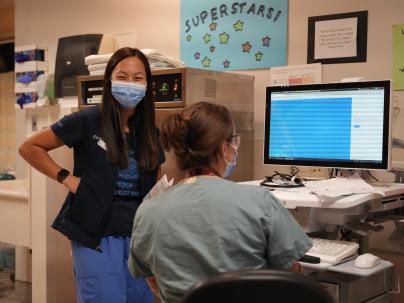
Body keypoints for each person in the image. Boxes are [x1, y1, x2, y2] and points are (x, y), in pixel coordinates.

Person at [19, 47, 165, 303]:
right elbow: (30, 147)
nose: (130, 83)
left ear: (147, 84)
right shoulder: (88, 120)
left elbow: (156, 173)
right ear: (109, 80)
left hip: (138, 236)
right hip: (97, 234)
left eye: (138, 78)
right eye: (123, 76)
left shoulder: (150, 130)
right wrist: (66, 177)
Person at [128, 102, 313, 303]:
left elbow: (153, 279)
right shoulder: (260, 202)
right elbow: (292, 276)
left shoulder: (148, 212)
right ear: (225, 149)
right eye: (235, 142)